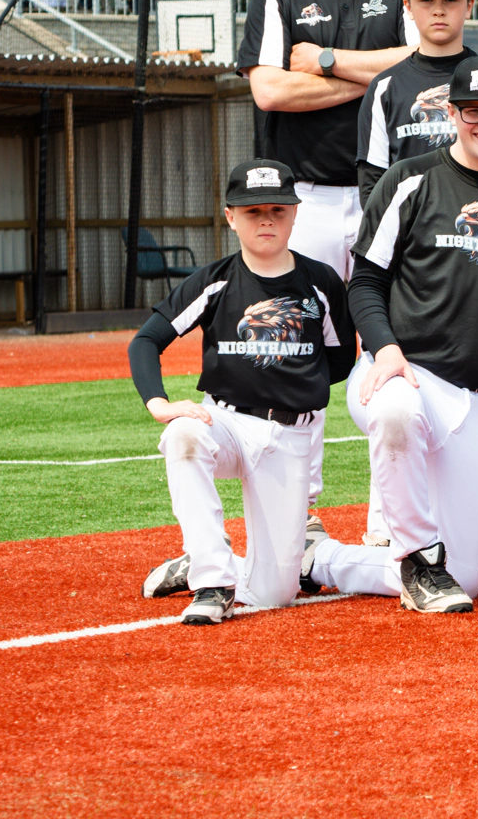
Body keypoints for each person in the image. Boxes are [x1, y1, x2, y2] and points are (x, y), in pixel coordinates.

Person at [346, 60, 478, 612]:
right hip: (402, 373)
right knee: (395, 414)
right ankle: (414, 555)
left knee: (465, 577)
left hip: (476, 398)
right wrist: (385, 349)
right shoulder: (410, 179)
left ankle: (319, 561)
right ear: (452, 113)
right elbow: (364, 282)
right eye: (474, 111)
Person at [129, 160, 355, 624]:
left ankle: (201, 560)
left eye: (277, 209)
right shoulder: (214, 281)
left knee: (275, 594)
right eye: (252, 211)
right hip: (227, 423)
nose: (266, 219)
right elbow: (146, 341)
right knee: (182, 436)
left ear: (296, 213)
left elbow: (340, 360)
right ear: (231, 216)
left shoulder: (322, 282)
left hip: (291, 435)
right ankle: (212, 580)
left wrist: (295, 383)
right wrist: (161, 405)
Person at [238, 0, 419, 284]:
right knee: (309, 337)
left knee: (389, 336)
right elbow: (270, 92)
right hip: (305, 198)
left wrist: (327, 61)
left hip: (388, 194)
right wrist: (380, 78)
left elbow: (426, 61)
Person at [355, 0, 478, 205]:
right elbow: (372, 184)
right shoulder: (385, 87)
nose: (438, 11)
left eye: (451, 0)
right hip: (408, 236)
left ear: (469, 7)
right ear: (407, 7)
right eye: (426, 0)